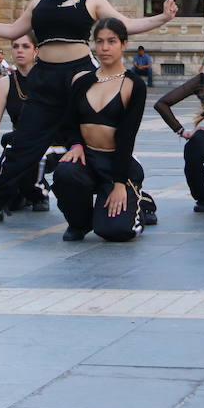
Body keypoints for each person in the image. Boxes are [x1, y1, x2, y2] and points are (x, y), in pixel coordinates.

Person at [0, 0, 177, 224]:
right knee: (24, 142)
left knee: (100, 141)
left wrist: (163, 17)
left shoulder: (90, 0)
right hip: (44, 80)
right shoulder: (38, 3)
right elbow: (12, 30)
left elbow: (124, 25)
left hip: (80, 78)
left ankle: (136, 198)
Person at [52, 18, 151, 242]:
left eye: (111, 41)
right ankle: (80, 222)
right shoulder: (82, 81)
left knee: (115, 232)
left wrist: (118, 183)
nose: (104, 48)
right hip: (87, 159)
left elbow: (127, 136)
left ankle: (140, 201)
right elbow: (68, 123)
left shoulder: (133, 85)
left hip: (115, 163)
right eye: (99, 42)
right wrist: (76, 144)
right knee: (64, 172)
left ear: (123, 44)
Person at [154, 41, 204, 213]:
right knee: (194, 145)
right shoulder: (202, 81)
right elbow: (162, 104)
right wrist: (181, 131)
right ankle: (203, 198)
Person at [0, 33, 48, 213]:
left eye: (25, 46)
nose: (20, 50)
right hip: (19, 141)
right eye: (16, 46)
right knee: (9, 187)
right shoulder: (5, 84)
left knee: (28, 161)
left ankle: (39, 191)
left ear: (36, 50)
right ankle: (23, 192)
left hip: (49, 142)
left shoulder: (48, 79)